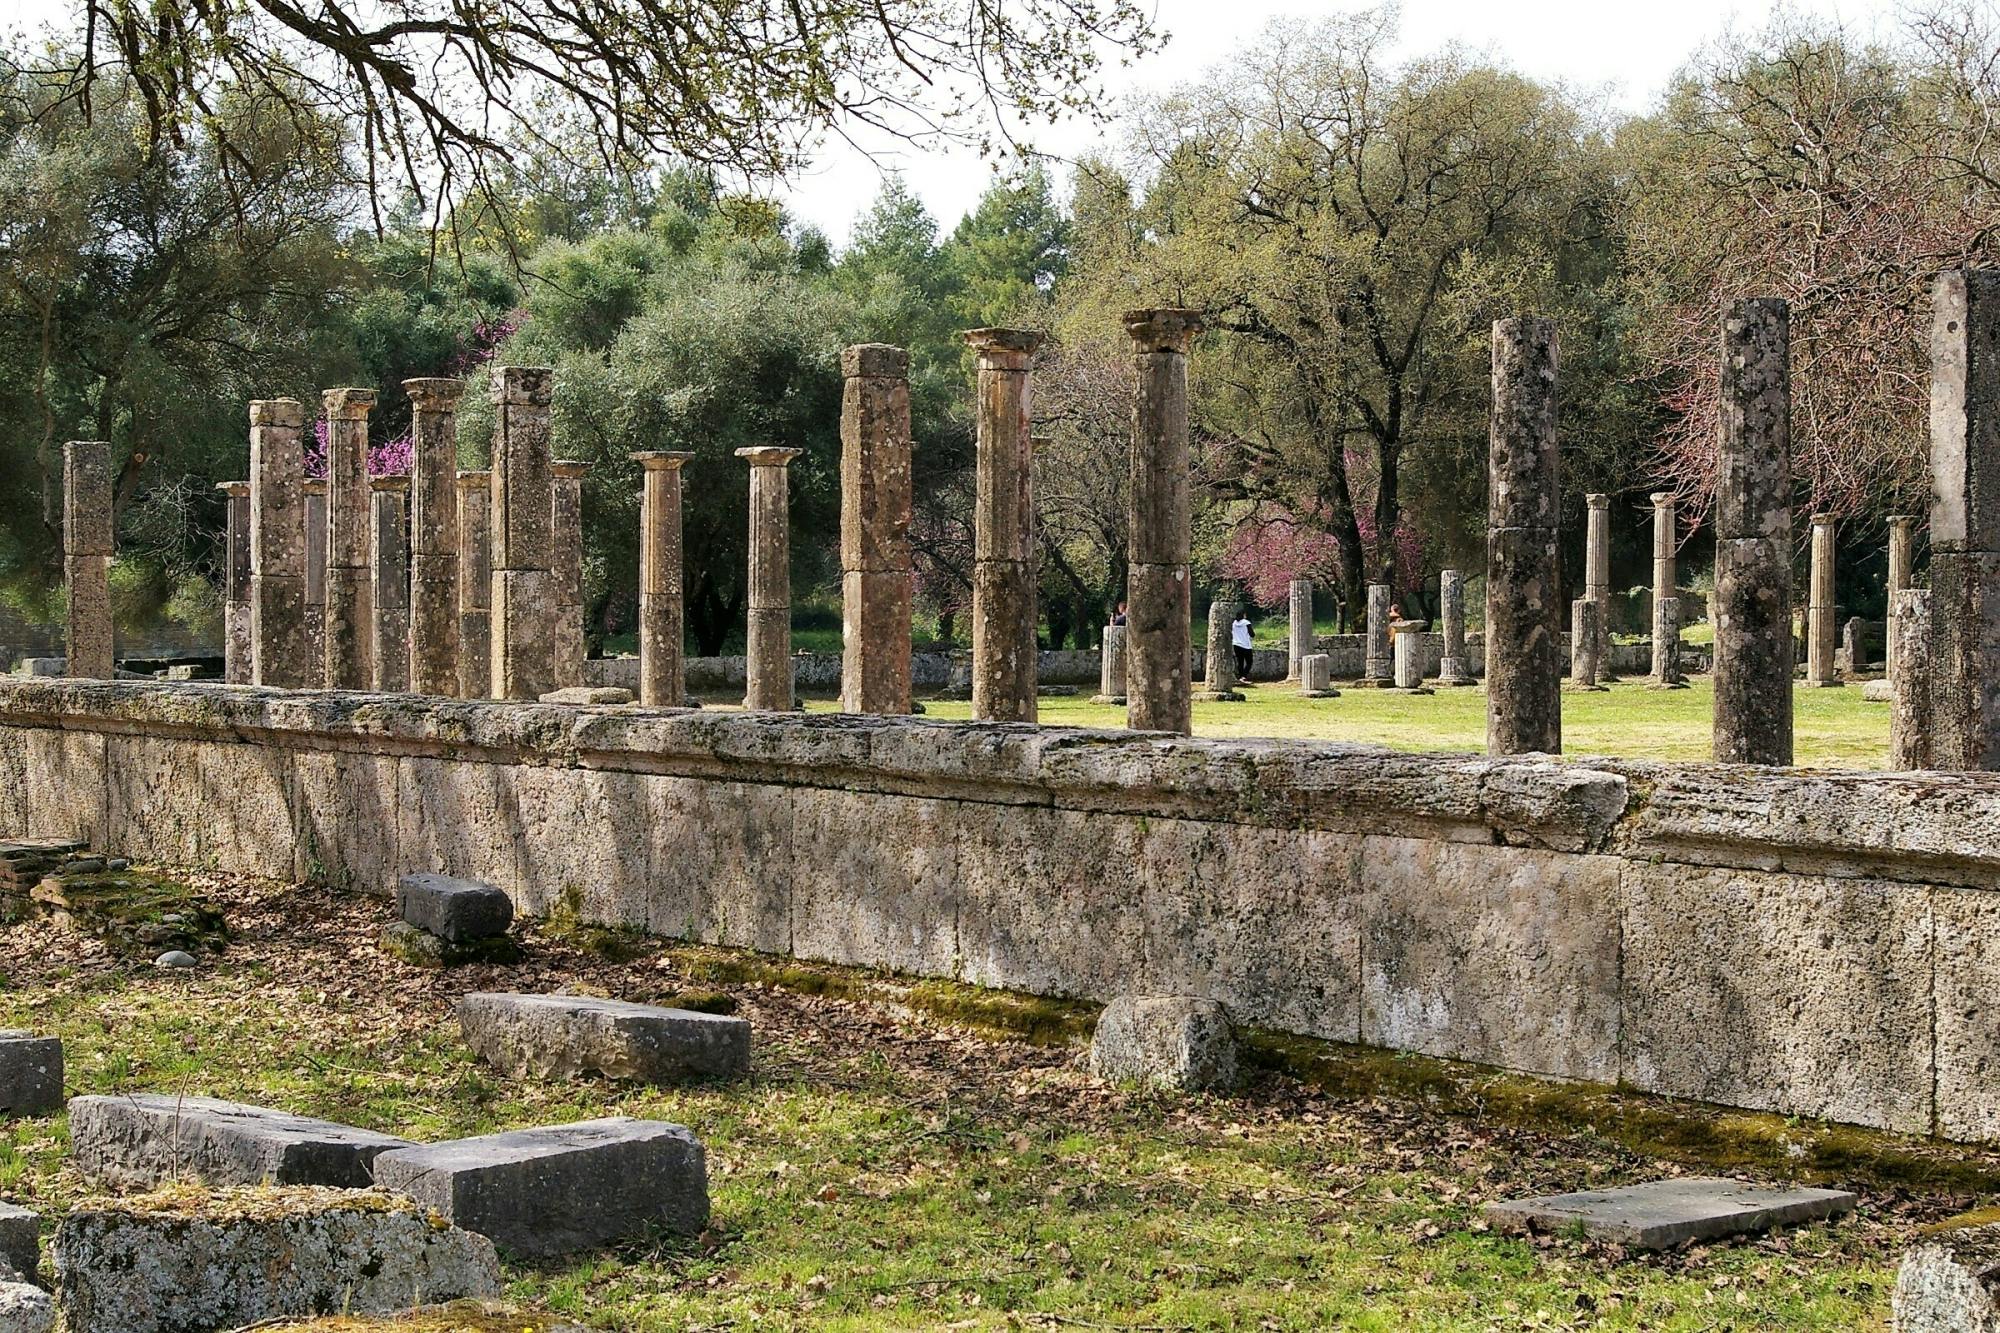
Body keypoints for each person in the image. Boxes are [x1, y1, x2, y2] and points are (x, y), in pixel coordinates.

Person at [1231, 608, 1255, 681]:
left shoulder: (1234, 623)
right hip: (1245, 645)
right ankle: (1244, 676)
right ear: (1243, 615)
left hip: (1236, 644)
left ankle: (1241, 676)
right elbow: (1252, 634)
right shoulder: (1246, 622)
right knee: (1249, 662)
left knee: (1240, 662)